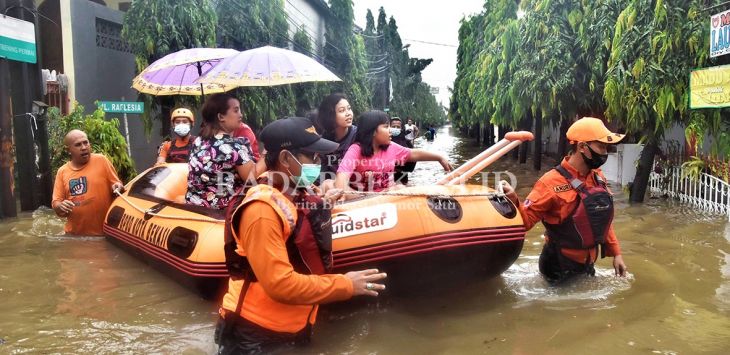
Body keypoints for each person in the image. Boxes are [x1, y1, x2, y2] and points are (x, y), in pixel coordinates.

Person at [216, 117, 387, 353]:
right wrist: (346, 285)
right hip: (256, 337)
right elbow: (280, 285)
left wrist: (328, 201)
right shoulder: (261, 211)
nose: (318, 162)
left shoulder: (295, 191)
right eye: (312, 156)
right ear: (286, 158)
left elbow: (301, 219)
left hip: (293, 327)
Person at [501, 117, 629, 283]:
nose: (605, 153)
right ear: (582, 147)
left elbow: (600, 219)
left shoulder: (598, 177)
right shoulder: (550, 183)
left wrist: (616, 254)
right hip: (558, 266)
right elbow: (524, 223)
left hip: (588, 264)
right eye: (602, 147)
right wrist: (513, 200)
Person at [334, 110, 452, 196]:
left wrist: (439, 157)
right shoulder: (356, 150)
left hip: (390, 198)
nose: (391, 130)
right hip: (365, 202)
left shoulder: (391, 147)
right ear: (373, 132)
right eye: (386, 127)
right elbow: (340, 183)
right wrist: (366, 196)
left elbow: (413, 154)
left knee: (401, 187)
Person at [186, 93, 264, 210]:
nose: (241, 115)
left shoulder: (198, 141)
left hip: (193, 205)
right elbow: (252, 177)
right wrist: (267, 154)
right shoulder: (234, 146)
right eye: (236, 111)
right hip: (222, 211)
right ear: (221, 117)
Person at [52, 130, 124, 236]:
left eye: (86, 142)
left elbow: (117, 184)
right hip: (76, 237)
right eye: (78, 145)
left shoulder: (102, 161)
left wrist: (118, 186)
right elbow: (56, 202)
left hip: (104, 235)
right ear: (68, 150)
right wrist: (61, 206)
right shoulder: (62, 172)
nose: (84, 147)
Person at [314, 93, 356, 183]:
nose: (348, 113)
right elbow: (323, 171)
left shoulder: (358, 136)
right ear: (330, 115)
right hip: (333, 188)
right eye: (342, 110)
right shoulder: (324, 141)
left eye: (349, 108)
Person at [389, 117, 417, 184]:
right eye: (393, 126)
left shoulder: (406, 142)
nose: (396, 128)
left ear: (401, 128)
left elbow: (413, 157)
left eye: (398, 127)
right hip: (386, 176)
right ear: (389, 127)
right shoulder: (384, 140)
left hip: (402, 175)